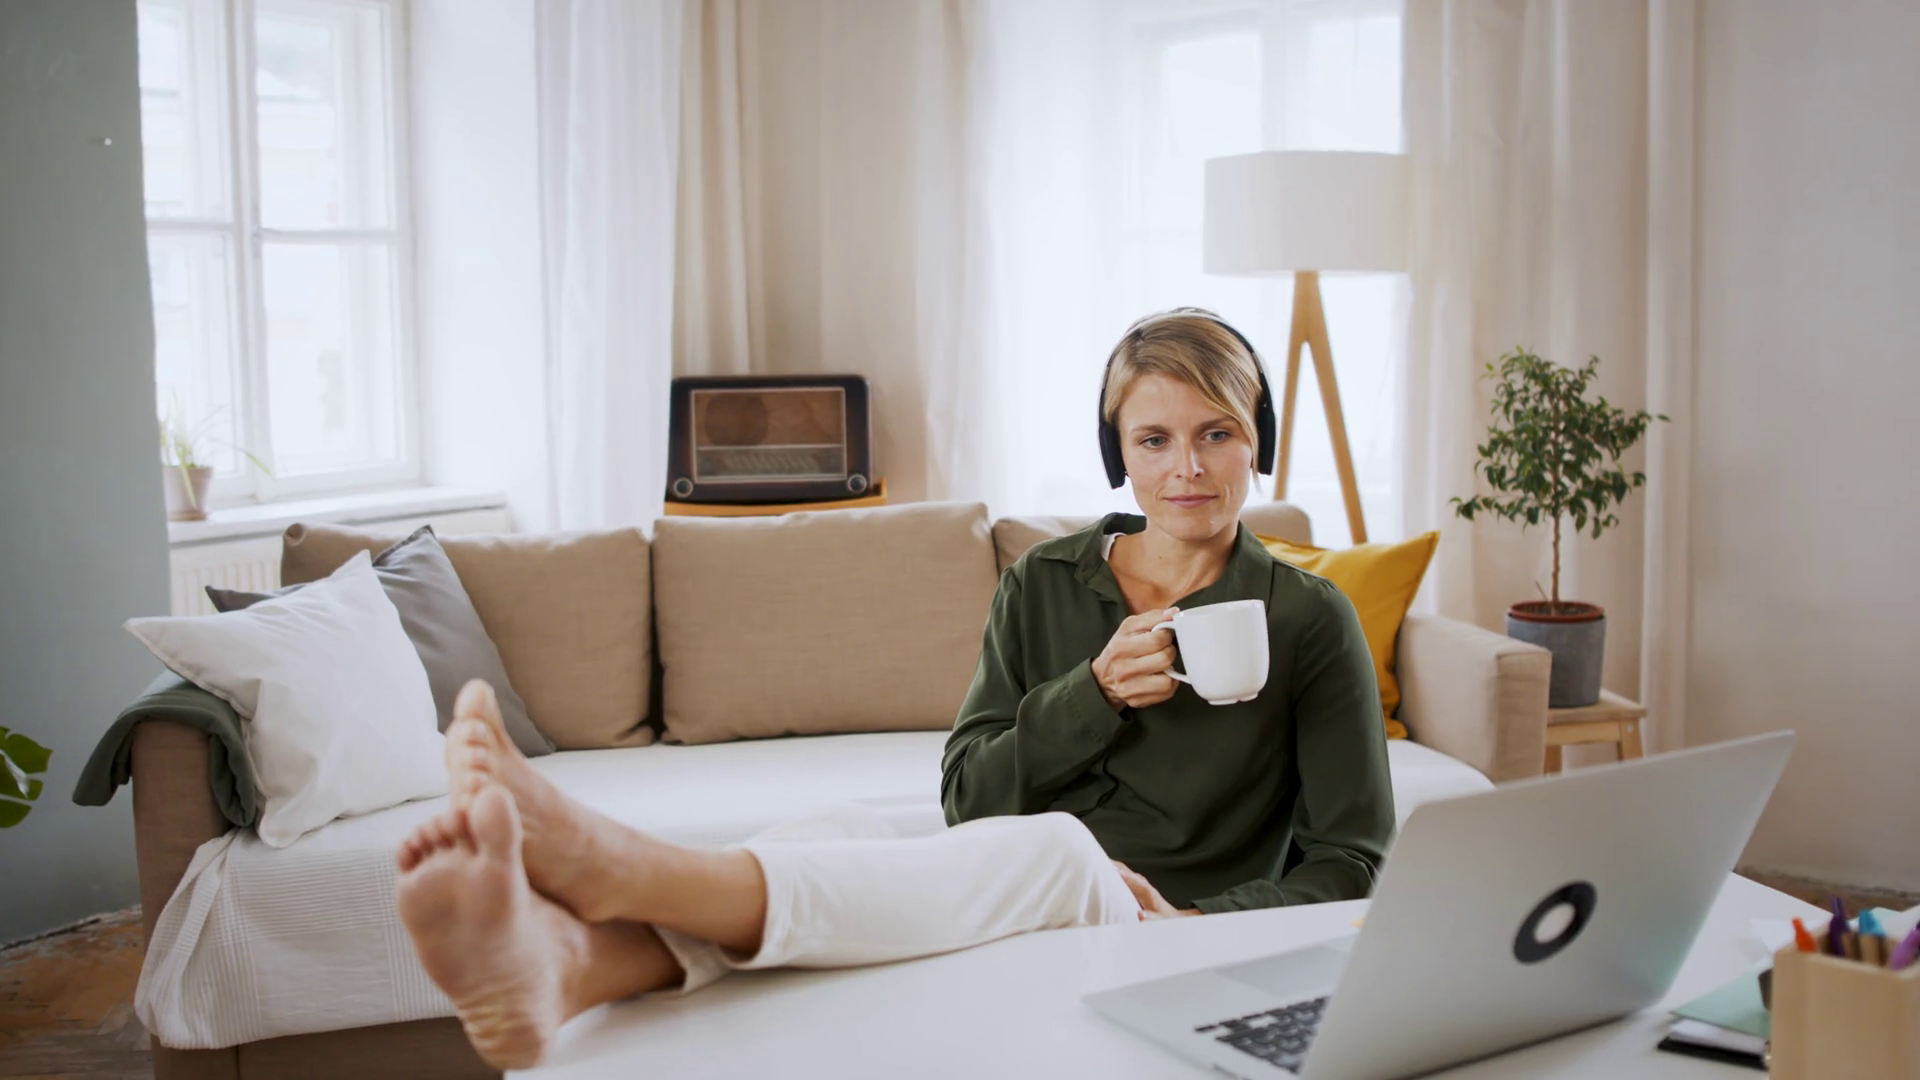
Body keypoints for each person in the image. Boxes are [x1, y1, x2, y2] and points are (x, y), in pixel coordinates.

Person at [393, 309, 1393, 1070]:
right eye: (1155, 439)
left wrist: (1196, 925)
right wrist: (1091, 695)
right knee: (851, 828)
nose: (1188, 469)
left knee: (1055, 848)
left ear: (1256, 440)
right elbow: (968, 800)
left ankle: (613, 866)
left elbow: (1353, 859)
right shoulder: (1046, 583)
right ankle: (575, 969)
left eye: (1218, 434)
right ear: (1117, 452)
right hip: (1002, 885)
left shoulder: (1309, 618)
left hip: (1152, 925)